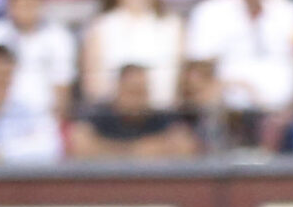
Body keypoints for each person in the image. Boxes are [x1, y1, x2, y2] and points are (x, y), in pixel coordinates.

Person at [183, 0, 293, 145]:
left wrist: (290, 110)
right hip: (227, 114)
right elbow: (197, 76)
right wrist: (234, 87)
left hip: (285, 115)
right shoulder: (209, 14)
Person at [68, 58, 199, 157]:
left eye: (143, 92)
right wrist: (134, 151)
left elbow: (186, 146)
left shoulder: (162, 116)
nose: (138, 99)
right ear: (118, 90)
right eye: (132, 92)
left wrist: (104, 149)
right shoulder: (99, 114)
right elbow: (78, 145)